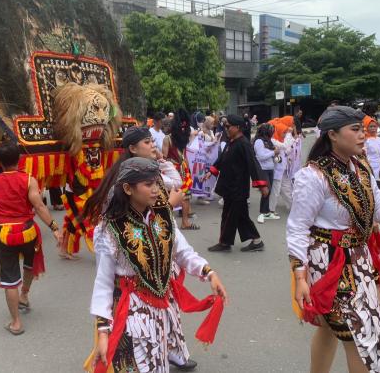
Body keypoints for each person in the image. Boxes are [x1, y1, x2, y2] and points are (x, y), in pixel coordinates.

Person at [287, 106, 380, 373]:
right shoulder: (313, 176)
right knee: (356, 335)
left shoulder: (360, 165)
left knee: (335, 329)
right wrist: (299, 277)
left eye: (362, 129)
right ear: (332, 134)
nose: (362, 135)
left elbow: (377, 200)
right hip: (329, 262)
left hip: (361, 260)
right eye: (354, 130)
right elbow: (297, 228)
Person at [87, 157, 227, 372]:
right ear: (127, 188)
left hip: (162, 304)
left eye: (156, 182)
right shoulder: (110, 230)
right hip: (133, 310)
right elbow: (103, 282)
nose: (156, 189)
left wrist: (209, 273)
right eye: (148, 184)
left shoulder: (162, 215)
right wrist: (103, 331)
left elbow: (182, 251)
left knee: (158, 361)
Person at [0, 141, 62, 335]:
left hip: (4, 234)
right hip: (28, 230)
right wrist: (54, 228)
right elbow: (39, 207)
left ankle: (16, 323)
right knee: (30, 263)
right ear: (19, 159)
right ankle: (25, 295)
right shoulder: (29, 180)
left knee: (10, 279)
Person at [205, 114, 269, 252]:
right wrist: (211, 171)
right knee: (239, 216)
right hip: (229, 187)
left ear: (238, 127)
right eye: (225, 126)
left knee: (230, 216)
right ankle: (255, 241)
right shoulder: (232, 141)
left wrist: (262, 185)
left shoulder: (244, 144)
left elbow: (253, 164)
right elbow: (222, 159)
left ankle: (225, 243)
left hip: (237, 189)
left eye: (228, 126)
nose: (226, 129)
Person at [163, 109, 197, 230]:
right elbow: (164, 158)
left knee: (186, 196)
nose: (183, 128)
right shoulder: (167, 139)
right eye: (181, 126)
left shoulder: (183, 138)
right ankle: (168, 224)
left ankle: (185, 222)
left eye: (185, 126)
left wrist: (188, 169)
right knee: (170, 197)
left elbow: (184, 155)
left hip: (183, 169)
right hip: (173, 172)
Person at [253, 124, 278, 222]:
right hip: (262, 169)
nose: (272, 133)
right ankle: (262, 214)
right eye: (271, 131)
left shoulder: (268, 141)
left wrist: (276, 156)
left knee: (269, 191)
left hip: (270, 168)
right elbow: (261, 156)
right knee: (265, 191)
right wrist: (273, 153)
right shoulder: (259, 141)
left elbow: (270, 154)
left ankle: (267, 212)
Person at [363, 116, 380, 193]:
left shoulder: (379, 139)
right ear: (366, 127)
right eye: (371, 126)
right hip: (371, 169)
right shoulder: (366, 141)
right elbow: (364, 155)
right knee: (377, 190)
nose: (373, 128)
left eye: (375, 126)